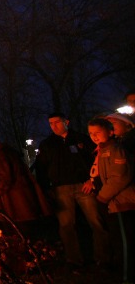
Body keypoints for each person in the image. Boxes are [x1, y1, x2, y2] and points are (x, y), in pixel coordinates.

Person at [33, 112, 109, 265]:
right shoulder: (48, 144)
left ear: (66, 121)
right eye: (51, 124)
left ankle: (103, 257)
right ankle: (74, 259)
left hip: (84, 185)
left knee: (96, 221)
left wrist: (92, 180)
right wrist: (46, 187)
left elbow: (96, 159)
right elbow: (41, 167)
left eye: (57, 122)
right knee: (66, 225)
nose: (54, 126)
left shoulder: (81, 139)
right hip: (61, 188)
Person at [83, 118, 135, 284]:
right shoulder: (102, 151)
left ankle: (129, 281)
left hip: (121, 203)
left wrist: (102, 197)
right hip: (111, 203)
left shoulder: (116, 150)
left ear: (110, 132)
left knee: (125, 243)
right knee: (117, 240)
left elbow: (120, 177)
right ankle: (122, 275)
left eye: (98, 132)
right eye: (91, 133)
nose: (94, 137)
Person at [0, 133, 50, 236]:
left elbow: (4, 181)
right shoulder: (1, 154)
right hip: (18, 206)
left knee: (23, 236)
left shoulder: (0, 155)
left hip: (17, 207)